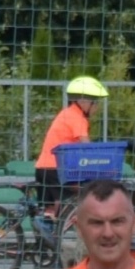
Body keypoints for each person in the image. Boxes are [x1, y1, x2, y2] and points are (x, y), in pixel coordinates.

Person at [35, 76, 108, 213]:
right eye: (95, 102)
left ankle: (47, 228)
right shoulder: (78, 118)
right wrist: (100, 160)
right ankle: (60, 229)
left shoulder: (66, 113)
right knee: (70, 201)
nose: (97, 107)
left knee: (49, 208)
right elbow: (85, 144)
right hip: (56, 168)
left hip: (43, 167)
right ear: (84, 101)